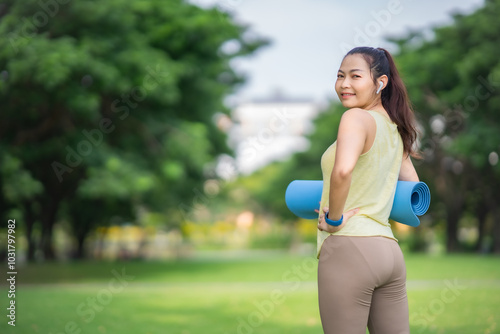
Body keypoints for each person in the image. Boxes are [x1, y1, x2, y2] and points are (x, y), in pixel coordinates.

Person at [316, 46, 420, 334]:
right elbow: (413, 187)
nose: (344, 84)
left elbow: (343, 170)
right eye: (340, 76)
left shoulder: (355, 118)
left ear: (380, 82)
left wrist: (334, 220)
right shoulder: (394, 128)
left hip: (349, 246)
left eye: (355, 76)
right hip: (388, 252)